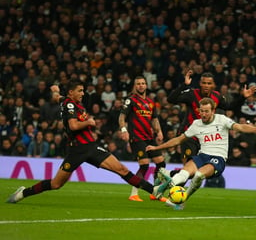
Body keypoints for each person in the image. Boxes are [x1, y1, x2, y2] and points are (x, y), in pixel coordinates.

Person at [7, 79, 156, 203]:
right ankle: (23, 193)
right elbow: (73, 125)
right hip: (77, 150)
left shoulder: (67, 100)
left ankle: (155, 191)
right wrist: (89, 122)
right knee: (56, 184)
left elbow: (57, 97)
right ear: (71, 92)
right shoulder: (70, 105)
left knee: (122, 170)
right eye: (79, 90)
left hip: (91, 147)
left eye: (83, 90)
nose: (83, 93)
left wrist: (55, 90)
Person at [146, 97, 256, 209]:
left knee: (198, 175)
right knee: (184, 173)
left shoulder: (222, 119)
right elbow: (178, 140)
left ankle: (181, 197)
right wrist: (158, 148)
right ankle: (161, 188)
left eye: (206, 111)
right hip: (202, 156)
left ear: (213, 110)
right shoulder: (196, 124)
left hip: (218, 158)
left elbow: (240, 127)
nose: (203, 114)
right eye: (201, 111)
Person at [167, 69, 256, 164]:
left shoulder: (216, 96)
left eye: (209, 83)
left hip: (205, 138)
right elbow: (171, 99)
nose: (206, 85)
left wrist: (243, 97)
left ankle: (173, 174)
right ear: (200, 83)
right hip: (189, 135)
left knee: (201, 169)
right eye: (204, 83)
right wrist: (184, 85)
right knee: (189, 165)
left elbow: (230, 106)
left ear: (213, 85)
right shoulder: (191, 94)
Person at [118, 76, 167, 202]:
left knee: (161, 163)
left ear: (146, 85)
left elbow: (154, 119)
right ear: (135, 86)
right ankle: (134, 194)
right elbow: (122, 116)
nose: (141, 85)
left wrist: (159, 132)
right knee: (144, 165)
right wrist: (124, 130)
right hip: (137, 137)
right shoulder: (131, 100)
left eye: (143, 83)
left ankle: (155, 191)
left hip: (149, 138)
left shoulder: (151, 102)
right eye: (138, 83)